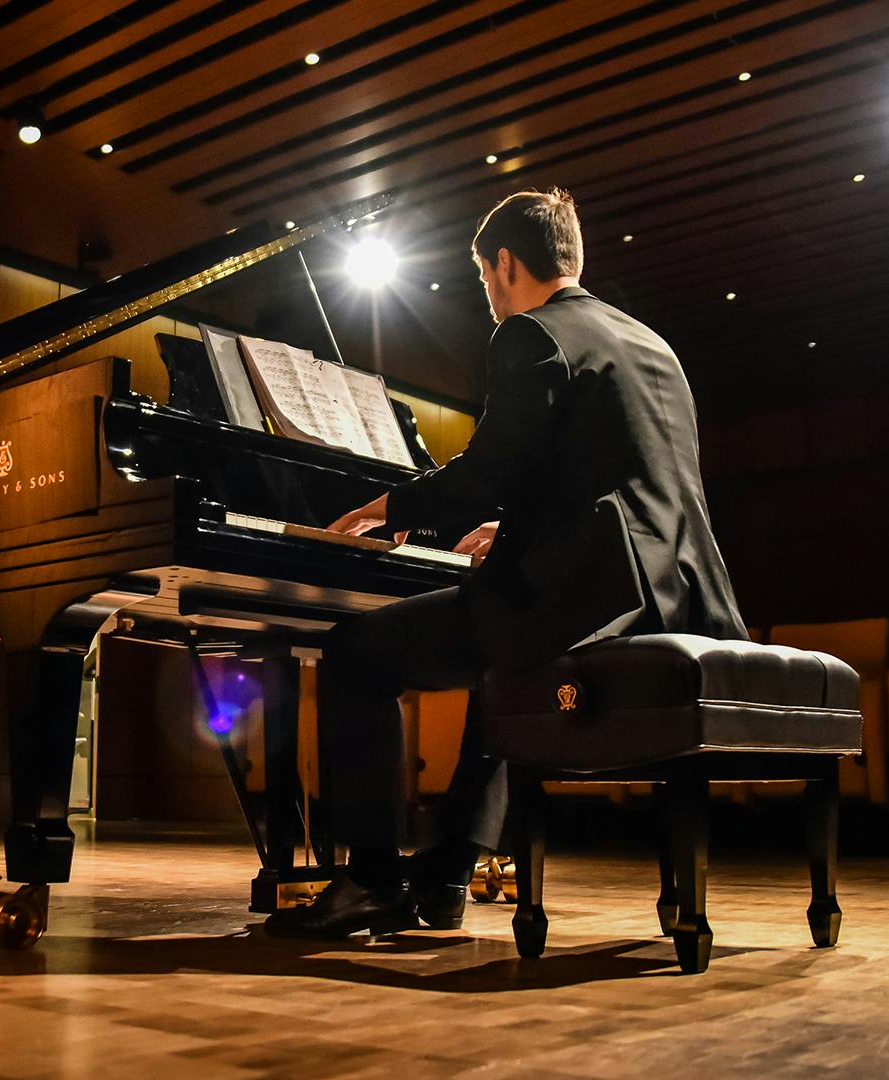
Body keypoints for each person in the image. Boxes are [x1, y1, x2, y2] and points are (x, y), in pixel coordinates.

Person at [265, 187, 748, 938]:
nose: (488, 295)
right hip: (679, 597)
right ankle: (447, 875)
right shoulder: (652, 345)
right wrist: (518, 524)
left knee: (356, 652)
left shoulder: (531, 332)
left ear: (504, 264)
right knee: (501, 658)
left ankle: (371, 880)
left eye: (485, 277)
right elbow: (623, 480)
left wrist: (387, 507)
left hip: (587, 602)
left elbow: (488, 471)